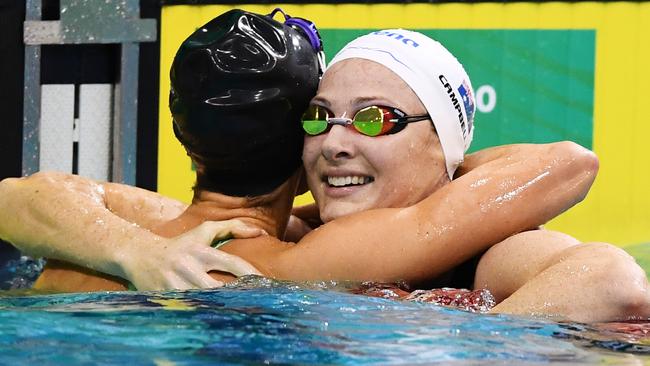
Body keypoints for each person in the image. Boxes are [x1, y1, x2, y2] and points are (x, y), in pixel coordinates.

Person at [0, 11, 644, 322]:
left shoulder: (116, 250)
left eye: (374, 120)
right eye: (320, 117)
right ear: (292, 137)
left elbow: (610, 279)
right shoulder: (318, 251)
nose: (337, 141)